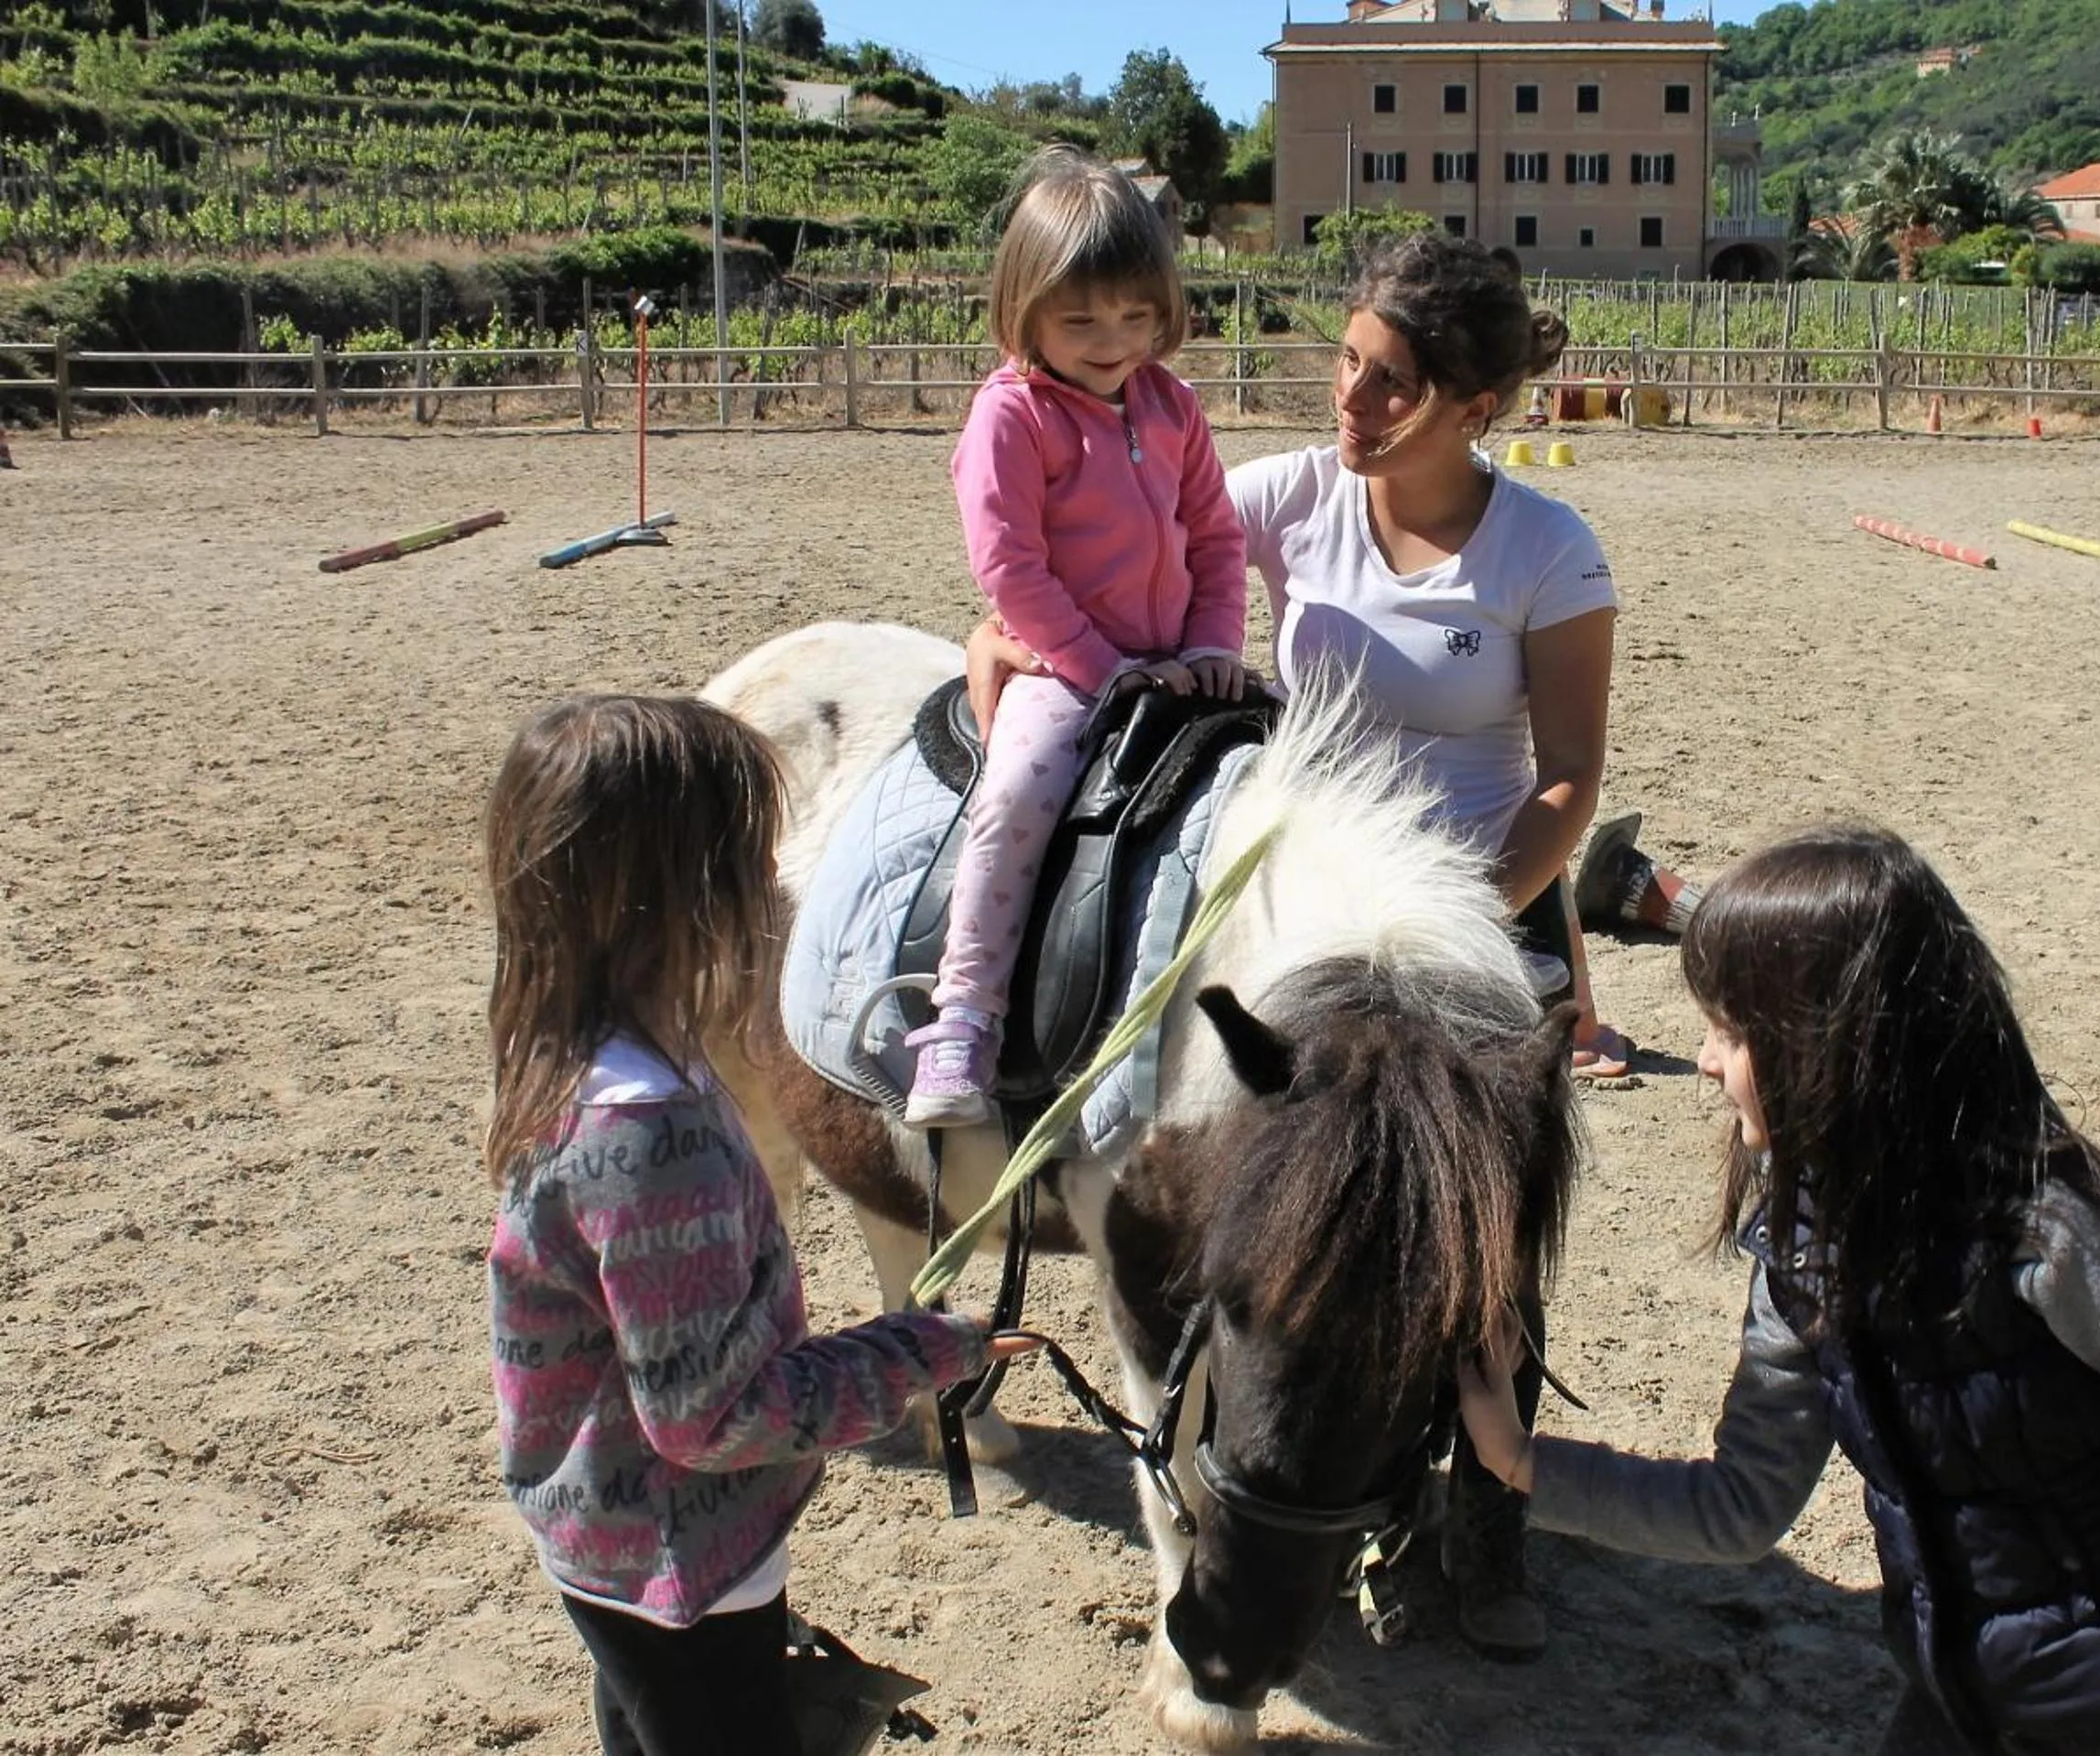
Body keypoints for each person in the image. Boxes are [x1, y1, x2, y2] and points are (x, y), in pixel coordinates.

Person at [1456, 825, 2100, 1756]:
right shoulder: (1802, 1238)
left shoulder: (2051, 1228)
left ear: (1837, 1046)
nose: (1704, 1058)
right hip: (1962, 1693)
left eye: (1734, 1032)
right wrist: (1516, 1461)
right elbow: (1739, 1507)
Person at [967, 229, 1615, 1660]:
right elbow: (1136, 554)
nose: (1350, 402)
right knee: (1316, 1240)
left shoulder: (1547, 550)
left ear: (1474, 408)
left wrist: (1466, 931)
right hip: (1305, 931)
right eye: (1348, 363)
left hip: (1479, 931)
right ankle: (1339, 1482)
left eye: (1389, 385)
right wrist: (1006, 636)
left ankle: (1489, 1533)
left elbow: (1571, 774)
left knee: (1486, 1260)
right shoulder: (1291, 498)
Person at [482, 694, 1037, 1756]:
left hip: (610, 1534)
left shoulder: (572, 1044)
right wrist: (923, 1349)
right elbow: (709, 1417)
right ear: (677, 895)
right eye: (748, 862)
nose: (773, 887)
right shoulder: (652, 1136)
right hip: (686, 1559)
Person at [919, 146, 1250, 1126]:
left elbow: (1217, 538)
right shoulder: (1010, 417)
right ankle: (964, 1015)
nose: (1113, 339)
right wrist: (1104, 670)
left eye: (1136, 315)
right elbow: (1010, 568)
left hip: (1174, 659)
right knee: (1019, 793)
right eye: (1081, 319)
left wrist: (1213, 646)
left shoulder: (1172, 405)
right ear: (1026, 309)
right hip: (1071, 666)